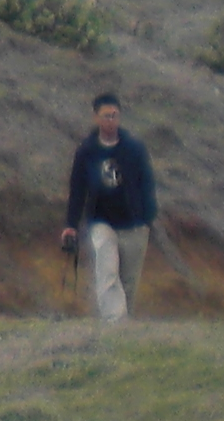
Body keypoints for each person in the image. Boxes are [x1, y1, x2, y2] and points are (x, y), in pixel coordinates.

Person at [59, 93, 159, 321]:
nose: (111, 121)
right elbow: (77, 190)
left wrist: (147, 218)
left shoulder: (134, 149)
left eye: (114, 115)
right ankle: (114, 322)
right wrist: (70, 224)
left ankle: (123, 326)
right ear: (96, 118)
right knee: (107, 273)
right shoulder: (86, 151)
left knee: (129, 281)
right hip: (101, 222)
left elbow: (147, 183)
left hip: (134, 224)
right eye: (106, 116)